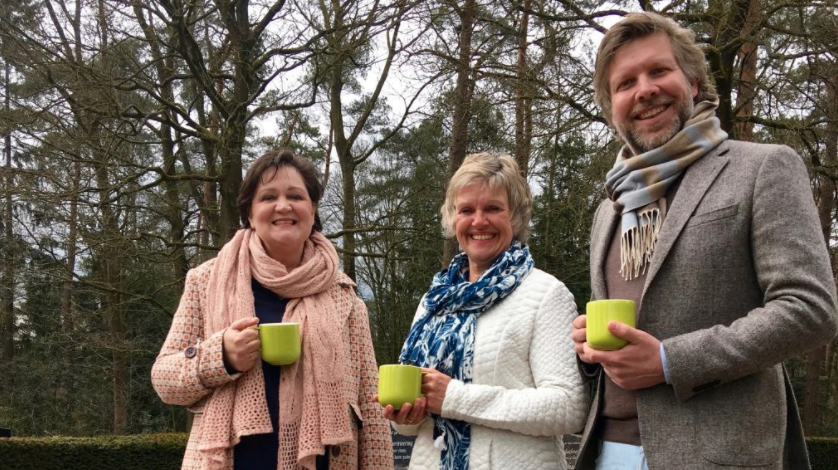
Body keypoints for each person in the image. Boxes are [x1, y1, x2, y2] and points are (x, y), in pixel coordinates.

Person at [571, 12, 838, 470]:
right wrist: (588, 350)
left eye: (659, 71)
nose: (645, 90)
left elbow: (809, 309)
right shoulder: (609, 208)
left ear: (693, 81)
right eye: (625, 82)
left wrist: (670, 361)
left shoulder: (763, 167)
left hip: (716, 455)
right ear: (612, 105)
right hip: (606, 452)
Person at [152, 149, 393, 470]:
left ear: (312, 209)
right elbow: (164, 381)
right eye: (268, 197)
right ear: (250, 213)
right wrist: (219, 356)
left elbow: (371, 408)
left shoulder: (344, 295)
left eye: (296, 195)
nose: (283, 205)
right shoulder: (206, 281)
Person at [382, 152, 588, 470]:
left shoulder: (545, 294)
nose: (479, 221)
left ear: (515, 217)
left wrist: (454, 397)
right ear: (452, 219)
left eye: (493, 208)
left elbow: (568, 407)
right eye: (466, 210)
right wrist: (406, 416)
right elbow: (411, 426)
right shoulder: (434, 300)